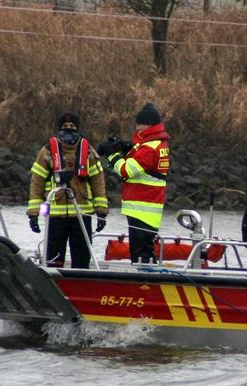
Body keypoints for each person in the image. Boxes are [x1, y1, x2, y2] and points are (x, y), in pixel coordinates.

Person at [28, 112, 108, 268]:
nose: (69, 130)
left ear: (78, 129)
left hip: (81, 214)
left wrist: (101, 212)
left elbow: (98, 182)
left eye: (72, 127)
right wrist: (33, 213)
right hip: (55, 215)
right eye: (65, 127)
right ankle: (54, 286)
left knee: (82, 258)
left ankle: (81, 286)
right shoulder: (47, 152)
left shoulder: (88, 152)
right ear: (59, 129)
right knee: (54, 259)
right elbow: (36, 182)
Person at [97, 102, 171, 264]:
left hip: (143, 207)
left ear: (147, 125)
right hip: (148, 207)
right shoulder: (156, 143)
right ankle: (146, 279)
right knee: (144, 251)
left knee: (141, 254)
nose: (136, 128)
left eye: (139, 125)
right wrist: (126, 148)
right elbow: (142, 162)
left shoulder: (150, 147)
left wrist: (111, 154)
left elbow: (126, 170)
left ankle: (145, 283)